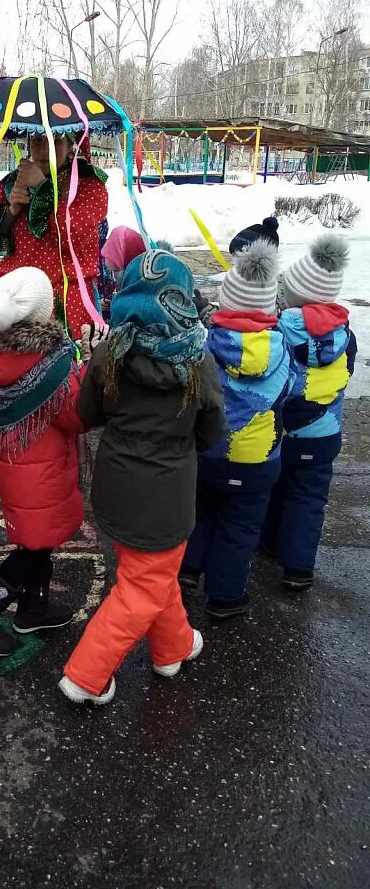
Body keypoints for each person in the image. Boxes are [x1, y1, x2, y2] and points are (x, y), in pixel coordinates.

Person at [58, 250, 227, 706]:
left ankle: (172, 647)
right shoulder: (197, 360)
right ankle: (86, 675)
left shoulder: (110, 351)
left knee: (150, 575)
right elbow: (212, 433)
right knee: (142, 585)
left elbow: (87, 414)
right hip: (167, 498)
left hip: (117, 488)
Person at [0, 267, 86, 656]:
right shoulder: (49, 364)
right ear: (42, 314)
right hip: (40, 466)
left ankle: (33, 608)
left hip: (20, 462)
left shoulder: (2, 353)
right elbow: (76, 415)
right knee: (33, 547)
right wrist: (86, 373)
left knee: (39, 541)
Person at [179, 241, 292, 618]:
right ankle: (226, 598)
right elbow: (289, 391)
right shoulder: (282, 349)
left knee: (202, 512)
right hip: (258, 460)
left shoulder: (207, 344)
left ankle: (187, 572)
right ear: (270, 305)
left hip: (209, 453)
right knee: (241, 527)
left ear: (226, 300)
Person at [261, 234, 355, 590]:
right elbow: (346, 376)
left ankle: (269, 541)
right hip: (324, 434)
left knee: (276, 487)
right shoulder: (345, 334)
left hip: (283, 431)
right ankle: (299, 568)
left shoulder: (280, 330)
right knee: (310, 499)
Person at [0, 133, 108, 339]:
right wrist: (11, 210)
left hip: (64, 301)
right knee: (9, 368)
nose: (45, 150)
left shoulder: (87, 184)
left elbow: (73, 234)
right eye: (37, 141)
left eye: (56, 141)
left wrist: (43, 188)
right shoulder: (14, 183)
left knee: (65, 368)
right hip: (13, 301)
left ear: (71, 143)